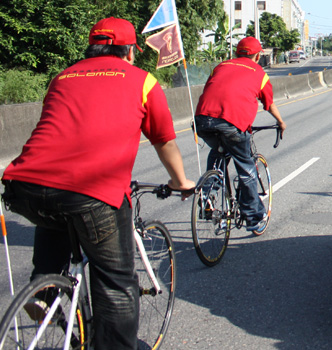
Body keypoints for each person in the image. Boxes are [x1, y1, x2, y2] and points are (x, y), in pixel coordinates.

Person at [0, 17, 195, 349]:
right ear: (130, 51)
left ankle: (43, 292)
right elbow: (164, 140)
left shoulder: (62, 77)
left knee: (56, 211)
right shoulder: (142, 81)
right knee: (117, 285)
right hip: (92, 195)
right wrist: (180, 181)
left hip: (24, 185)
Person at [194, 36, 287, 234]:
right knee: (246, 168)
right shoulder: (259, 73)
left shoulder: (221, 66)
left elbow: (211, 90)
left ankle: (208, 194)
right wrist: (280, 121)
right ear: (258, 55)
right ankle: (253, 218)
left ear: (237, 52)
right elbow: (268, 104)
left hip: (203, 120)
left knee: (218, 151)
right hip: (232, 123)